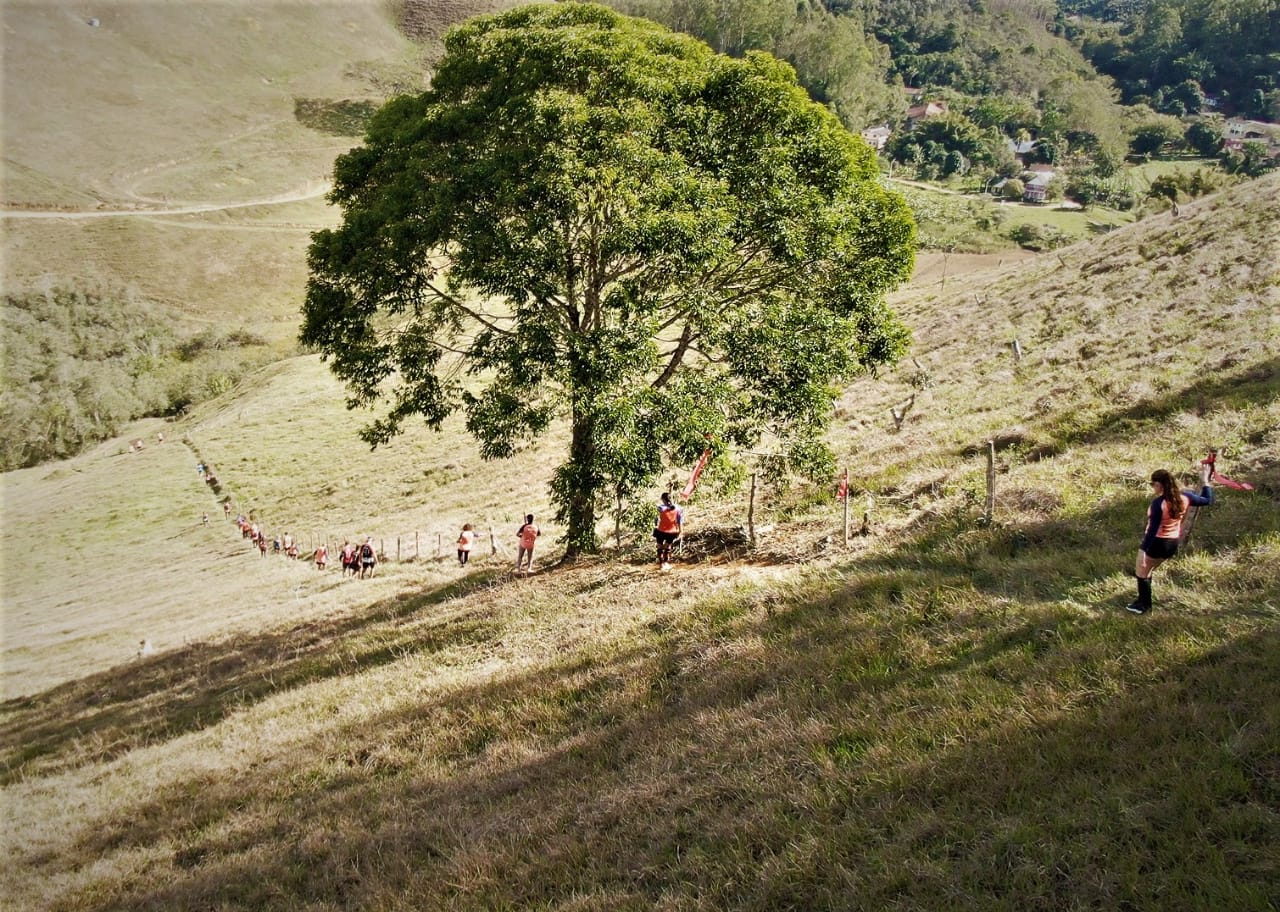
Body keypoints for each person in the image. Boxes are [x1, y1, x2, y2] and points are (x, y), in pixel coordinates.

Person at [1129, 464, 1213, 614]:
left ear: (1159, 485)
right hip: (1172, 543)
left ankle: (1144, 606)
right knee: (1148, 570)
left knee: (1142, 572)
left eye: (1152, 484)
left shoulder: (1158, 504)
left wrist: (1142, 550)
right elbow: (1207, 500)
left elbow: (1152, 531)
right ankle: (1142, 601)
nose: (1152, 487)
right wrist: (1205, 481)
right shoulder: (1185, 497)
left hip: (1157, 542)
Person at [653, 492, 683, 571]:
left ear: (663, 499)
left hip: (661, 530)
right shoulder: (678, 508)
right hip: (672, 531)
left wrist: (655, 524)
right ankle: (666, 563)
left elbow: (656, 518)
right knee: (667, 547)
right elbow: (679, 521)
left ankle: (661, 564)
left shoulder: (660, 508)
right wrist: (680, 531)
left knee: (659, 546)